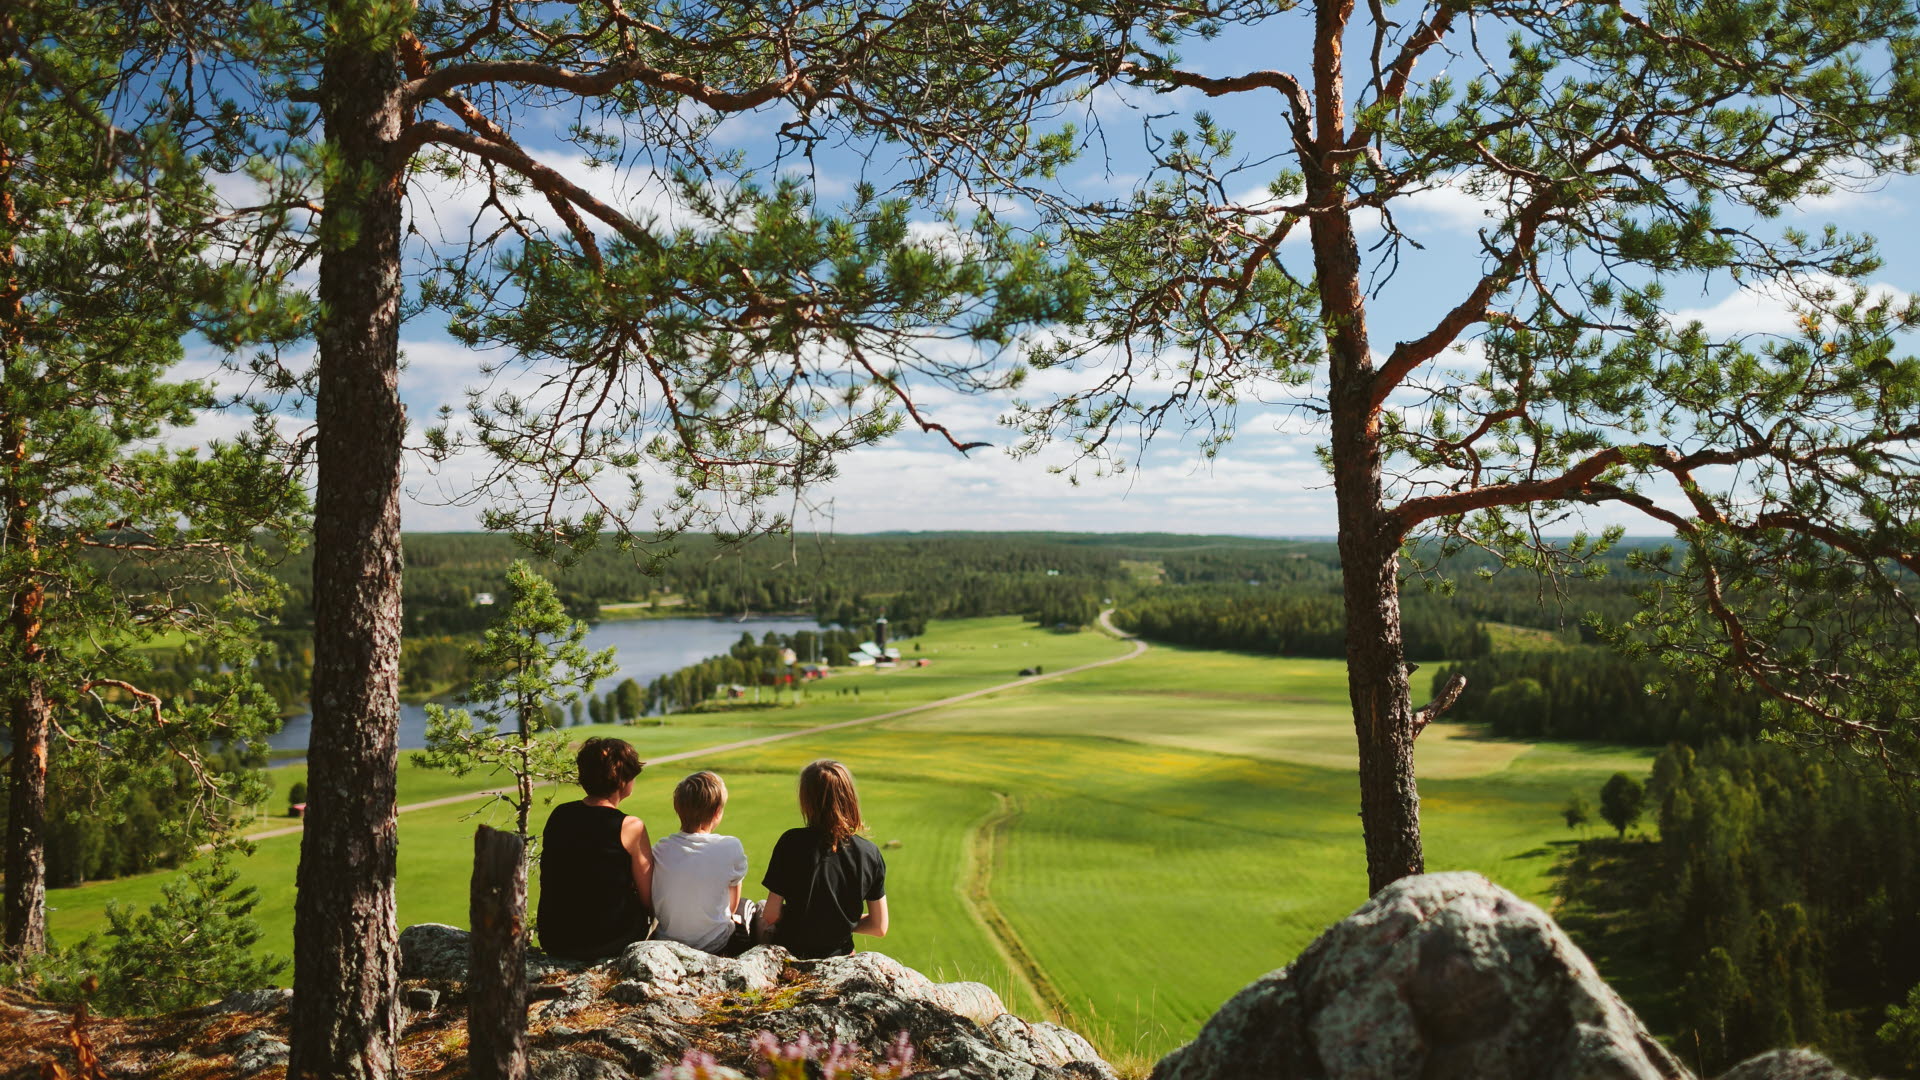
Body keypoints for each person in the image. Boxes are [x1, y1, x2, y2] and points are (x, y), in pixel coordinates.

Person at [536, 737, 652, 959]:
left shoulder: (560, 814)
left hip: (556, 939)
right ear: (623, 781)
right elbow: (648, 898)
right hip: (609, 941)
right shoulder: (630, 826)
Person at [761, 759, 887, 959]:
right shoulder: (870, 853)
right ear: (849, 797)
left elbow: (770, 915)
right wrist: (840, 922)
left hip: (793, 955)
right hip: (840, 958)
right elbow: (879, 926)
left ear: (807, 801)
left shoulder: (791, 842)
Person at [651, 771, 757, 956]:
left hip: (668, 942)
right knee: (747, 906)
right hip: (715, 944)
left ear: (678, 808)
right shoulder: (730, 846)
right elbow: (733, 904)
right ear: (717, 813)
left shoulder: (661, 848)